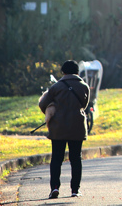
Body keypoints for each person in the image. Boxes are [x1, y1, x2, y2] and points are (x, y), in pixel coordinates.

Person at [38, 60, 90, 199]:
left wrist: (52, 110)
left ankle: (55, 188)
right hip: (77, 127)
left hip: (58, 127)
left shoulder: (56, 87)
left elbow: (43, 103)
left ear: (63, 72)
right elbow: (84, 105)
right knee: (76, 158)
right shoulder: (84, 86)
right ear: (77, 72)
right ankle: (75, 190)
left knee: (56, 158)